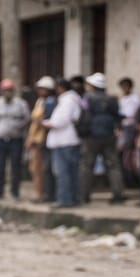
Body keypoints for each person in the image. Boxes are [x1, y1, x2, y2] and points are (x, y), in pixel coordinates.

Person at [79, 72, 124, 204]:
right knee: (113, 165)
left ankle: (84, 195)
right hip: (109, 136)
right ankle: (117, 194)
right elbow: (117, 116)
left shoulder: (87, 98)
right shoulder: (111, 99)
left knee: (87, 165)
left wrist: (82, 131)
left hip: (92, 136)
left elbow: (84, 115)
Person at [0, 79, 29, 201]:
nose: (7, 93)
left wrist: (18, 127)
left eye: (9, 91)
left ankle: (15, 192)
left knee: (15, 167)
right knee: (0, 166)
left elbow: (27, 119)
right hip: (0, 139)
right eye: (5, 91)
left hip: (15, 139)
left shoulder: (21, 104)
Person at [44, 78, 83, 207]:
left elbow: (60, 121)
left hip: (64, 141)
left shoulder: (67, 101)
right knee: (72, 172)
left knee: (63, 172)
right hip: (69, 140)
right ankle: (74, 198)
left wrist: (46, 123)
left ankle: (65, 199)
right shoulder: (74, 100)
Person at [25, 76, 56, 202]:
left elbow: (43, 122)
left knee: (42, 168)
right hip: (35, 139)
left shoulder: (50, 102)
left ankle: (44, 194)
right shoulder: (40, 101)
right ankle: (40, 193)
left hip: (42, 140)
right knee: (35, 168)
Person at [116, 77, 140, 192]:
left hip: (131, 128)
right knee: (122, 155)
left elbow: (132, 114)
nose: (124, 88)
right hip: (123, 128)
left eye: (126, 86)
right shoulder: (122, 100)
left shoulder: (135, 99)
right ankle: (127, 180)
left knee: (129, 156)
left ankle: (133, 181)